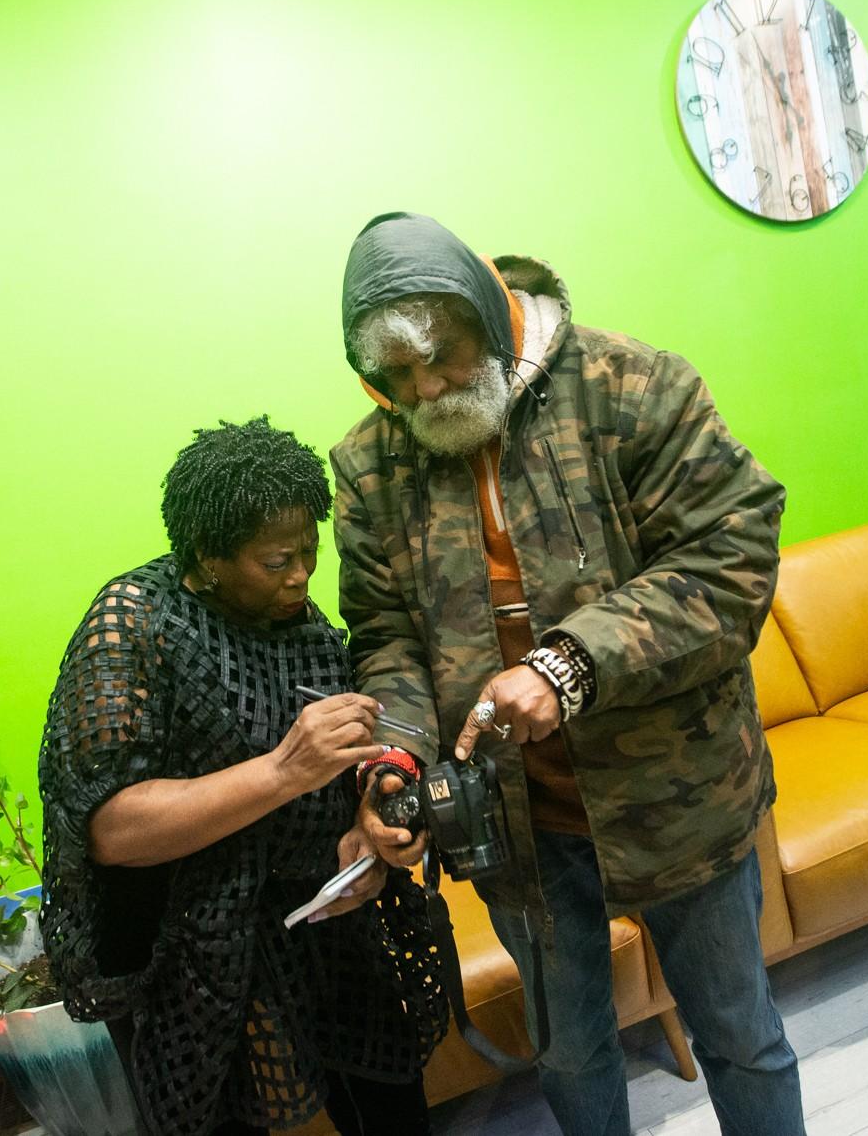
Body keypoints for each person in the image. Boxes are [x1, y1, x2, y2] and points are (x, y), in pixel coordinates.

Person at [330, 212, 805, 1136]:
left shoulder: (636, 386)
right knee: (572, 1059)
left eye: (442, 355)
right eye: (396, 372)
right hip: (515, 824)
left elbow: (731, 558)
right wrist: (394, 763)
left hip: (676, 795)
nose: (424, 388)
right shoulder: (371, 462)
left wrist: (568, 664)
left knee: (739, 1036)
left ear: (490, 312)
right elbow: (386, 636)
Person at [39, 416, 449, 1136]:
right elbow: (111, 828)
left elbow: (338, 770)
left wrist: (366, 831)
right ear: (209, 556)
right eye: (276, 560)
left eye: (309, 550)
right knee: (210, 1112)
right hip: (184, 947)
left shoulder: (298, 623)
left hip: (316, 922)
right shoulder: (135, 623)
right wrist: (283, 771)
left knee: (386, 1091)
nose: (301, 575)